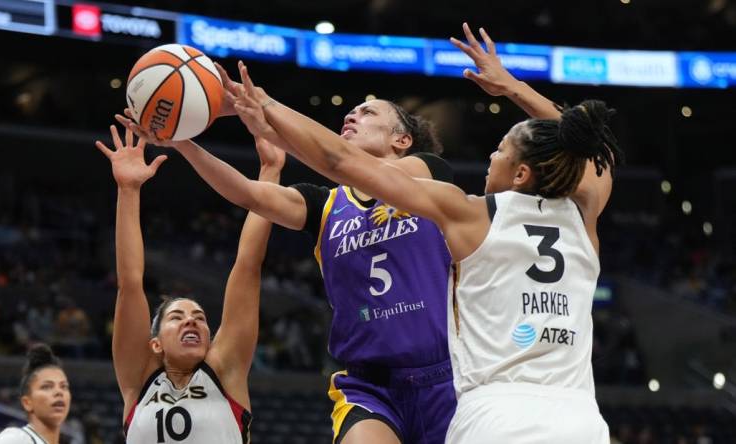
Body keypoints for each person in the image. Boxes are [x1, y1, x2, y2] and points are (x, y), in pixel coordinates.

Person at [227, 23, 624, 444]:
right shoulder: (584, 217)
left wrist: (267, 105)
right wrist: (513, 87)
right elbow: (593, 154)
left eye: (501, 150)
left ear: (521, 173)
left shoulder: (472, 214)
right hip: (579, 419)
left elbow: (339, 161)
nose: (491, 154)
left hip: (492, 414)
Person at [116, 83, 458, 443]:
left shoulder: (428, 174)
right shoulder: (323, 205)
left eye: (368, 112)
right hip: (370, 386)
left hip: (447, 373)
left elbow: (339, 160)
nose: (352, 115)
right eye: (351, 111)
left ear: (402, 140)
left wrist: (268, 110)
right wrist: (182, 141)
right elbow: (246, 193)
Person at [95, 124, 280, 443]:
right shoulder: (139, 379)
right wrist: (128, 190)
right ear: (155, 344)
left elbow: (248, 264)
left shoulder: (225, 370)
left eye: (199, 318)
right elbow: (130, 283)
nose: (192, 320)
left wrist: (271, 172)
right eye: (176, 318)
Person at [0, 344, 70, 444]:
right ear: (27, 402)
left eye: (64, 386)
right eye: (47, 386)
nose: (59, 392)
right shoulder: (17, 439)